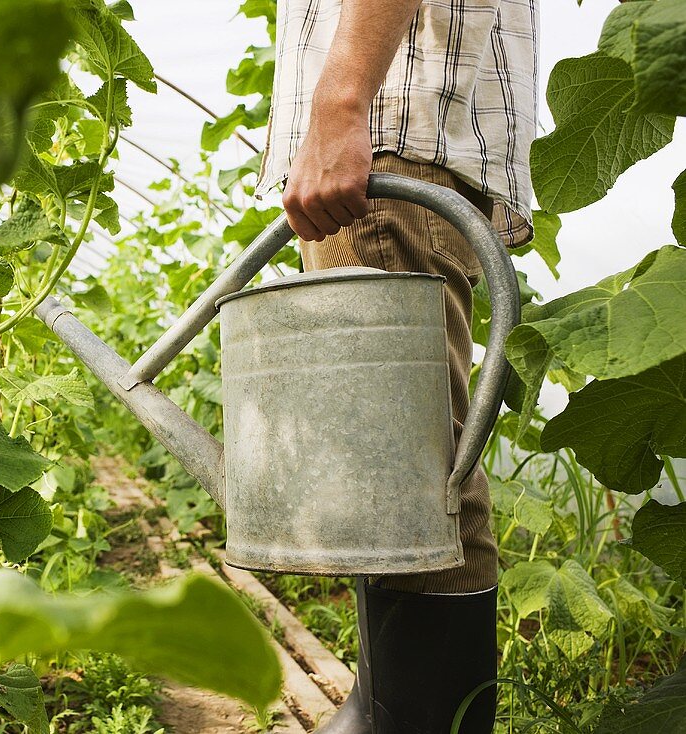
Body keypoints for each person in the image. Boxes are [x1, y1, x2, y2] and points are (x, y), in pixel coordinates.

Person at [255, 0, 537, 732]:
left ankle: (410, 718)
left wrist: (341, 100)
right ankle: (390, 707)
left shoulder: (375, 130)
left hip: (390, 136)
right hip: (410, 141)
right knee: (412, 476)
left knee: (412, 486)